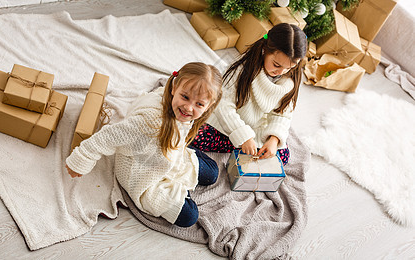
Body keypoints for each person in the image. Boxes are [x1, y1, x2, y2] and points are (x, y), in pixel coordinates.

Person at [65, 62, 223, 228]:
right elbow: (108, 136)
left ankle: (183, 173)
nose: (189, 107)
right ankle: (176, 190)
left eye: (199, 104)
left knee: (213, 173)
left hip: (169, 155)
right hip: (142, 172)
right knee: (189, 216)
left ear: (208, 106)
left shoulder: (177, 107)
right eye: (185, 97)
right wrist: (81, 158)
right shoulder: (150, 123)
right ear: (174, 87)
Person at [190, 23, 307, 165]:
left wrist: (274, 139)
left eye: (290, 67)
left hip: (258, 129)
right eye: (276, 65)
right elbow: (224, 105)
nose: (281, 72)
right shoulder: (241, 69)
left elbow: (283, 114)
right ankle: (241, 144)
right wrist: (243, 136)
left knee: (282, 155)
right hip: (231, 123)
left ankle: (244, 146)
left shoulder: (291, 78)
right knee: (198, 135)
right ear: (265, 50)